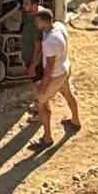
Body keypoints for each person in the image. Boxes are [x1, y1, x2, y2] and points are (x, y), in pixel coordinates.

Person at [31, 8, 81, 149]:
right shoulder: (59, 26)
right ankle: (75, 121)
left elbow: (49, 67)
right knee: (68, 95)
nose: (35, 23)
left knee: (42, 103)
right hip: (65, 67)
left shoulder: (50, 41)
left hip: (55, 75)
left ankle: (47, 139)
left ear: (45, 22)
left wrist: (43, 86)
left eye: (37, 21)